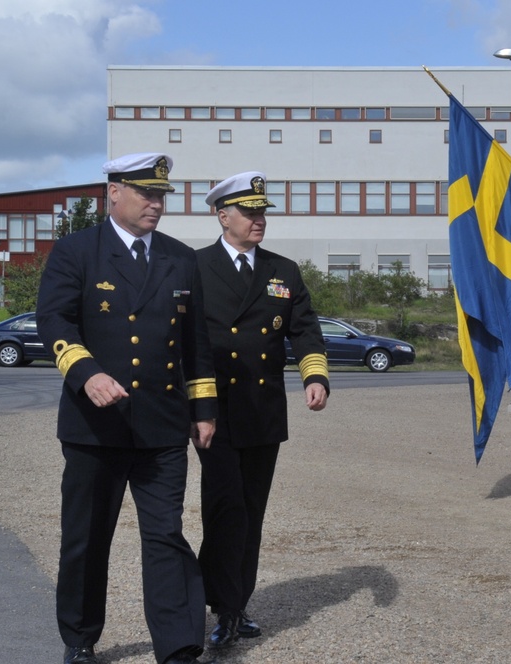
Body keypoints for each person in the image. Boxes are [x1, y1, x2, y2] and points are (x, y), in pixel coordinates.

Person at [36, 153, 218, 664]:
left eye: (162, 196)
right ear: (113, 191)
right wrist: (85, 372)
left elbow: (195, 345)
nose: (156, 205)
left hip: (162, 426)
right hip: (95, 426)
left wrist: (203, 409)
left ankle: (179, 645)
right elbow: (54, 321)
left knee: (166, 536)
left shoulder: (182, 259)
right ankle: (79, 637)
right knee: (87, 539)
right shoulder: (76, 251)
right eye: (146, 194)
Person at [194, 172, 329, 648]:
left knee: (251, 511)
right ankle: (222, 605)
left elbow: (305, 330)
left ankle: (235, 601)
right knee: (224, 507)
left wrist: (315, 376)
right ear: (222, 215)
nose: (259, 220)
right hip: (216, 410)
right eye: (249, 213)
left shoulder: (283, 270)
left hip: (262, 412)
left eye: (262, 212)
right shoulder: (195, 267)